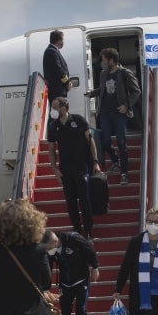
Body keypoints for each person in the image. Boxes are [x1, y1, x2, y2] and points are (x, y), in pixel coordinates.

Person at [84, 47, 140, 186]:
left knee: (121, 142)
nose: (102, 62)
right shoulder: (103, 74)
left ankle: (124, 174)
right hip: (105, 113)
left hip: (119, 113)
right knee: (105, 141)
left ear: (111, 60)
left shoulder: (124, 73)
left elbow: (136, 91)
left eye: (103, 60)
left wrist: (127, 105)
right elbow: (102, 90)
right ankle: (116, 161)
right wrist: (93, 92)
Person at [48, 97, 102, 239]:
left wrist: (95, 161)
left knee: (84, 201)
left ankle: (88, 230)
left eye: (55, 107)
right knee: (71, 203)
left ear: (63, 108)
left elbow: (91, 142)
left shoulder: (78, 120)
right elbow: (51, 150)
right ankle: (77, 231)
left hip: (81, 167)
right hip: (65, 170)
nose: (52, 110)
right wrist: (54, 169)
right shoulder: (53, 126)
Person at [42, 229, 100, 315]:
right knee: (65, 309)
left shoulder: (73, 238)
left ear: (56, 241)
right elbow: (48, 267)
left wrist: (95, 267)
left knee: (80, 308)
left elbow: (89, 249)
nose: (49, 251)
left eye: (50, 247)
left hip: (81, 279)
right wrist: (46, 288)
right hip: (65, 281)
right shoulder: (50, 250)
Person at [43, 30, 71, 101]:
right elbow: (58, 69)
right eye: (62, 40)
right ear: (58, 40)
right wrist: (67, 82)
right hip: (56, 91)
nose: (63, 42)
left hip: (59, 90)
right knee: (61, 110)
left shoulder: (54, 51)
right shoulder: (51, 51)